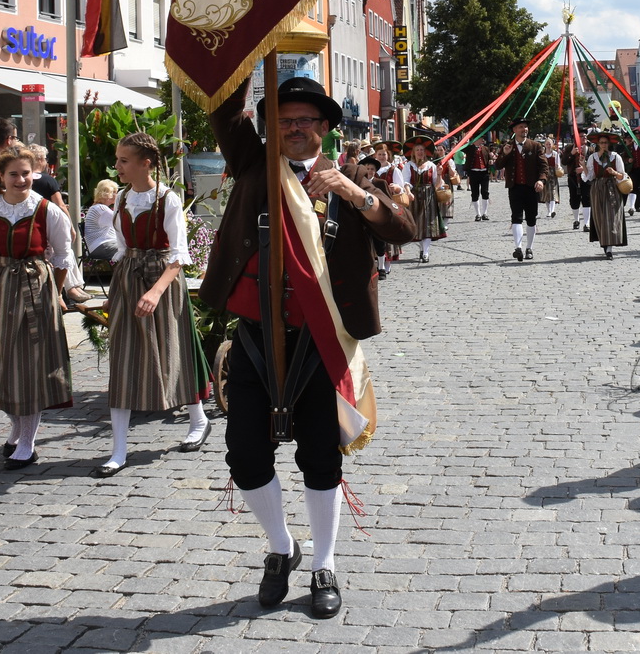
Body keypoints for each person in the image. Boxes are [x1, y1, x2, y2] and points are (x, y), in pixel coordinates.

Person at [204, 77, 415, 619]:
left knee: (320, 458)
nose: (294, 129)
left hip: (323, 340)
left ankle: (324, 563)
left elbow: (403, 229)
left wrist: (354, 193)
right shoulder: (255, 165)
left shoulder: (353, 177)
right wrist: (242, 51)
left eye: (305, 120)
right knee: (245, 456)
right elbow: (224, 112)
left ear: (325, 128)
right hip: (256, 337)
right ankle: (282, 548)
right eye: (284, 120)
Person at [97, 132, 210, 478]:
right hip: (129, 278)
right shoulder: (121, 198)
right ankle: (118, 450)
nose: (117, 167)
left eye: (124, 160)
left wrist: (156, 292)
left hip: (163, 280)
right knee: (123, 359)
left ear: (145, 164)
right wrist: (118, 289)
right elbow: (121, 248)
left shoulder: (168, 199)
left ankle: (198, 419)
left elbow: (179, 255)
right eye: (117, 160)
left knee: (172, 350)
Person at [0, 145, 75, 469]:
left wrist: (55, 292)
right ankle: (16, 426)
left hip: (34, 289)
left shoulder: (47, 210)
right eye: (13, 174)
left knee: (30, 367)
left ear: (34, 174)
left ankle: (28, 441)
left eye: (26, 173)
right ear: (0, 176)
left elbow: (63, 256)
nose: (20, 180)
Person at [495, 119, 545, 262]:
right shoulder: (508, 146)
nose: (524, 129)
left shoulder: (535, 146)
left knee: (531, 218)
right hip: (515, 187)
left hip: (531, 187)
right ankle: (518, 248)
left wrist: (541, 180)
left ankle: (529, 247)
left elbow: (544, 166)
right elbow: (498, 166)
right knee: (516, 217)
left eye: (526, 127)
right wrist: (504, 154)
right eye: (521, 127)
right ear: (514, 130)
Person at [582, 131, 629, 260]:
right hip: (597, 189)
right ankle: (605, 242)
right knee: (600, 217)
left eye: (605, 143)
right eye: (601, 143)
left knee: (611, 217)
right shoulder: (593, 157)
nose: (603, 145)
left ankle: (609, 249)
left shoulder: (615, 157)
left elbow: (622, 175)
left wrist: (614, 172)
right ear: (598, 144)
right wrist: (583, 166)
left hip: (612, 189)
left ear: (609, 144)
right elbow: (590, 176)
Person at [404, 136, 446, 263]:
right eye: (417, 150)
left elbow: (437, 184)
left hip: (429, 196)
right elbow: (406, 182)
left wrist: (439, 174)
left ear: (425, 152)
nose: (420, 152)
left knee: (428, 224)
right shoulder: (408, 165)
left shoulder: (431, 166)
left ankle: (426, 252)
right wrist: (408, 193)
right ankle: (422, 249)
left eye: (422, 150)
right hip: (414, 197)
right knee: (417, 224)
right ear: (413, 152)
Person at [84, 179, 121, 262]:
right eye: (115, 192)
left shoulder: (97, 208)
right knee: (131, 250)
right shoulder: (101, 209)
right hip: (101, 246)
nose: (117, 195)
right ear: (108, 193)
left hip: (98, 246)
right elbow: (121, 223)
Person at [464, 139, 493, 221]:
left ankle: (485, 213)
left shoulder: (485, 148)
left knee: (485, 192)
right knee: (475, 193)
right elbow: (461, 148)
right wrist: (467, 140)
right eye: (480, 139)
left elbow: (489, 158)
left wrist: (490, 160)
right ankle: (478, 214)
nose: (482, 140)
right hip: (473, 173)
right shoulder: (469, 148)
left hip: (484, 173)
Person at [563, 140, 589, 231]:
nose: (583, 138)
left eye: (585, 136)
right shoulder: (569, 148)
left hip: (586, 177)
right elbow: (564, 161)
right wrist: (571, 153)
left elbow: (593, 162)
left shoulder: (590, 148)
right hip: (573, 178)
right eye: (581, 136)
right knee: (574, 200)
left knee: (587, 199)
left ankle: (587, 223)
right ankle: (576, 220)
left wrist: (584, 168)